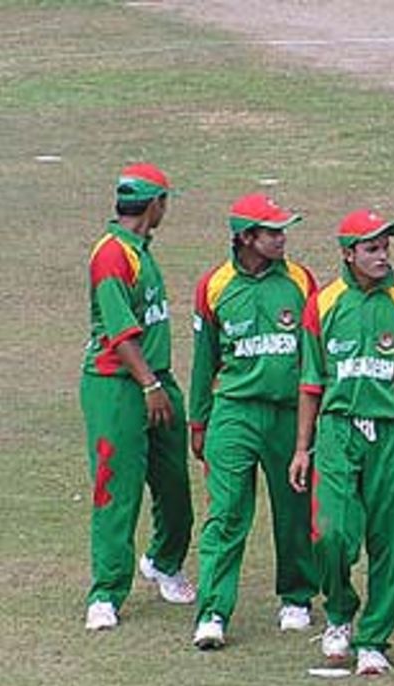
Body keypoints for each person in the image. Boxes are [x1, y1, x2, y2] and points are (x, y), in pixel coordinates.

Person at [287, 209, 394, 676]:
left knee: (391, 538)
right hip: (337, 430)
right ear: (348, 253)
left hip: (390, 432)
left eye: (385, 247)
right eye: (371, 248)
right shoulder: (324, 303)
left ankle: (374, 637)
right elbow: (311, 382)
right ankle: (339, 613)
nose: (382, 256)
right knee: (331, 533)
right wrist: (301, 447)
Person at [188, 193, 320, 650]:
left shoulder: (302, 281)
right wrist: (198, 421)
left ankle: (297, 597)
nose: (282, 239)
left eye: (283, 230)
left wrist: (314, 418)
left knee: (294, 506)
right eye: (272, 232)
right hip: (234, 412)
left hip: (289, 414)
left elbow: (314, 355)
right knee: (226, 513)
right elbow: (203, 360)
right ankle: (213, 612)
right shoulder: (215, 285)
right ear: (246, 237)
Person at [82, 163, 195, 631]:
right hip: (118, 386)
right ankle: (106, 593)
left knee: (174, 486)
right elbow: (120, 332)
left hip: (156, 381)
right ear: (156, 205)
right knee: (117, 488)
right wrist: (148, 384)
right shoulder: (112, 255)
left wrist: (158, 384)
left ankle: (164, 562)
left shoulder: (139, 250)